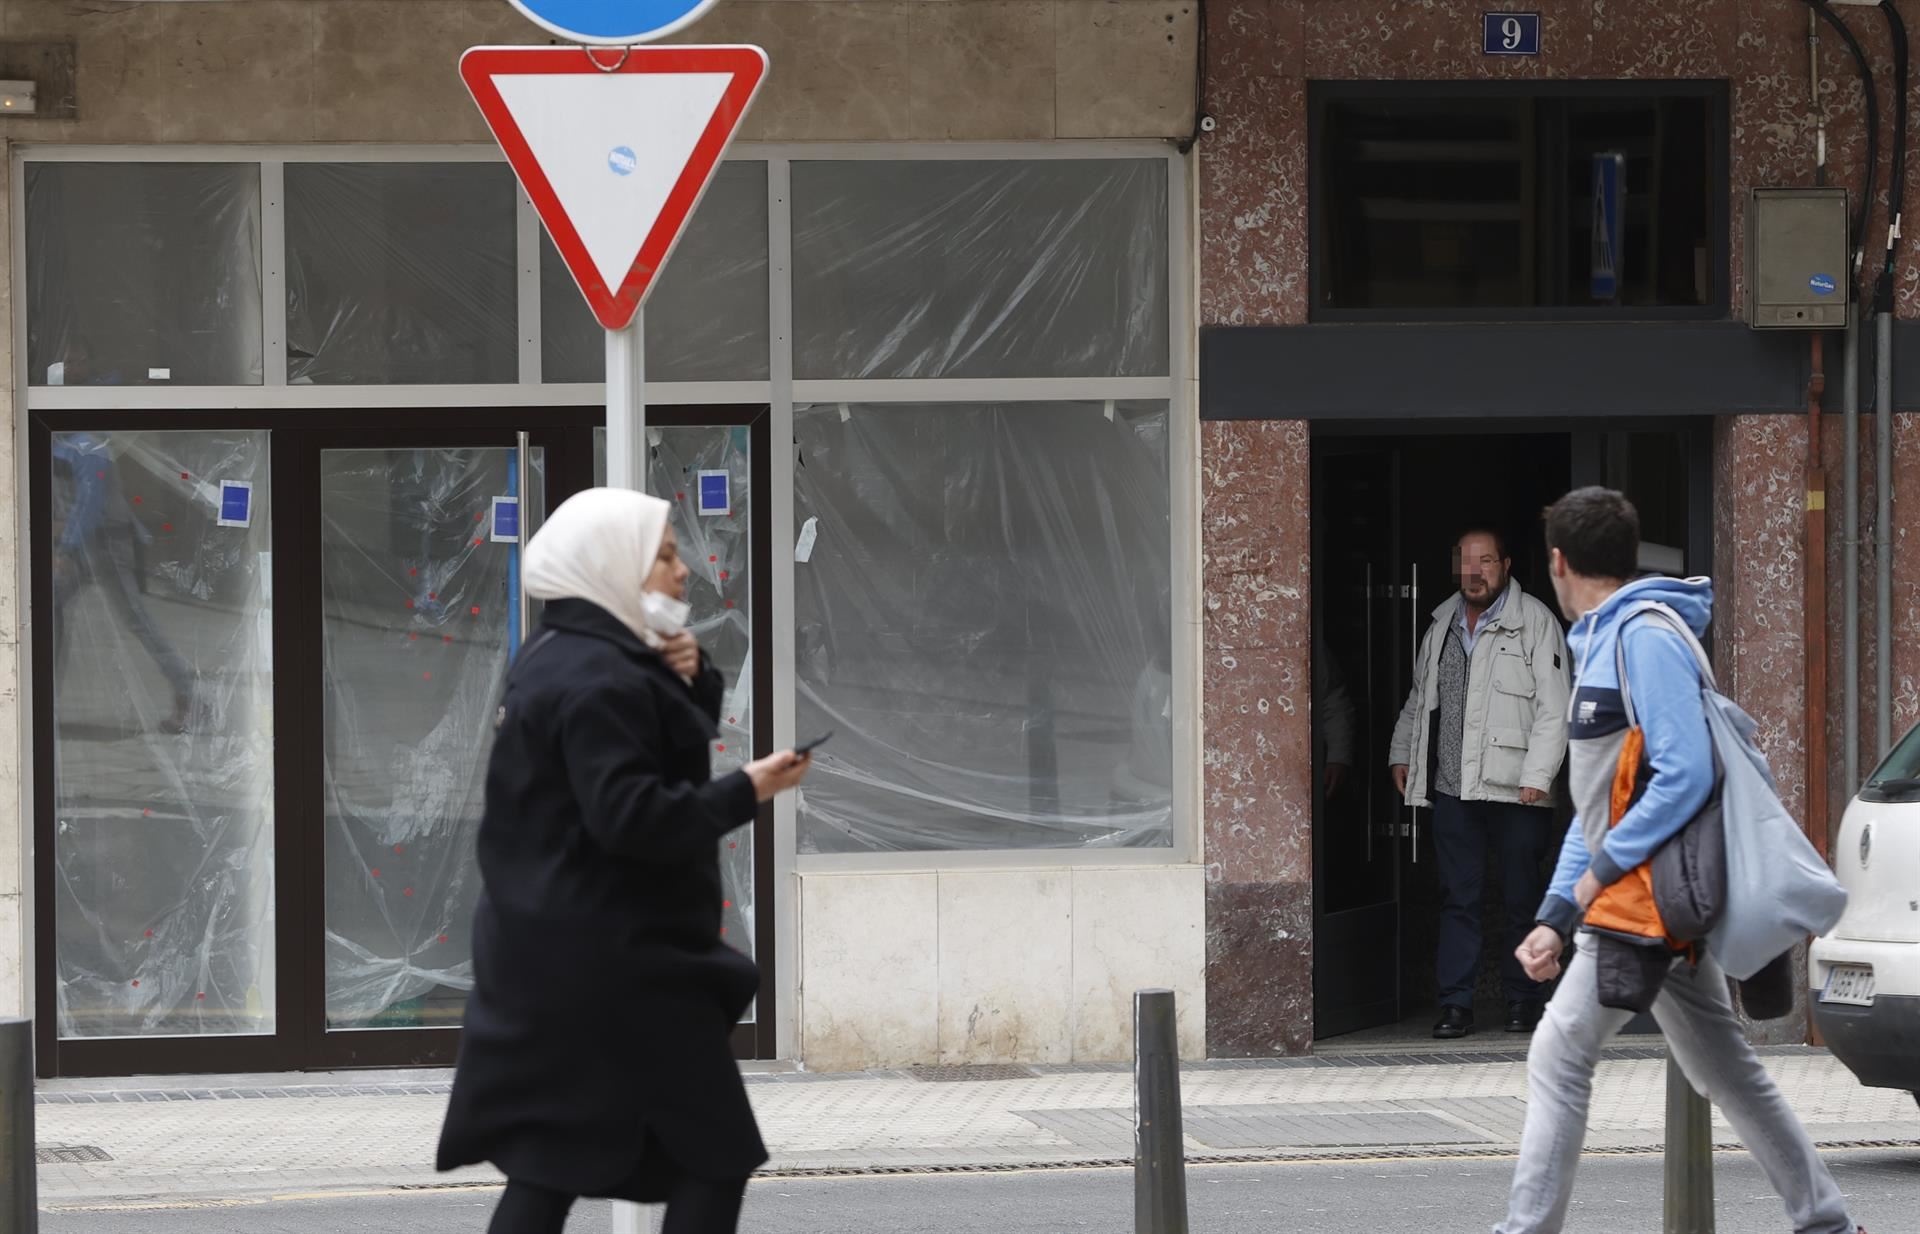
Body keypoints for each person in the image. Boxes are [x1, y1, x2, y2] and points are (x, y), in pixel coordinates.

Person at [436, 488, 812, 1234]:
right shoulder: (598, 679)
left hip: (560, 956)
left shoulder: (564, 654)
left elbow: (655, 741)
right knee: (713, 1154)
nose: (682, 574)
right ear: (611, 569)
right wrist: (749, 788)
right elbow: (632, 816)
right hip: (624, 969)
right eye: (664, 557)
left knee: (553, 1165)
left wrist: (691, 672)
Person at [1498, 486, 1862, 1234]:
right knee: (1726, 1069)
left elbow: (1686, 772)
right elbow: (1603, 802)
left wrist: (1598, 879)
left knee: (1558, 1056)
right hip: (1645, 899)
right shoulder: (1604, 639)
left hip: (1645, 902)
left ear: (1558, 563)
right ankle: (1824, 1221)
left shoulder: (1643, 637)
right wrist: (1557, 913)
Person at [1389, 528, 1570, 1038]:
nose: (1475, 573)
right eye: (1466, 563)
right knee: (1458, 900)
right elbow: (1419, 699)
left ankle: (1523, 1001)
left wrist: (1538, 776)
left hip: (1519, 791)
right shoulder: (1440, 624)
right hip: (1454, 790)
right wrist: (1401, 753)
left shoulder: (1535, 621)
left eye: (1485, 562)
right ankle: (1456, 1006)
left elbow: (1555, 710)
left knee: (1520, 897)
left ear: (1506, 565)